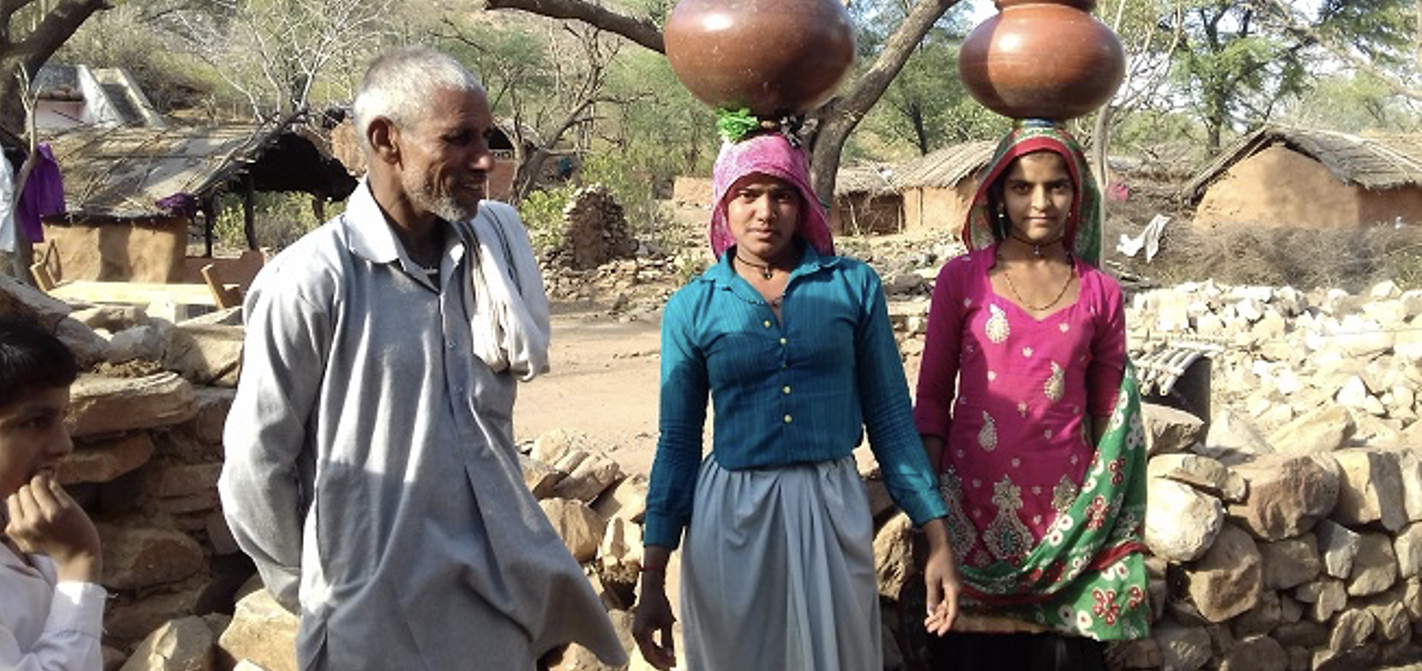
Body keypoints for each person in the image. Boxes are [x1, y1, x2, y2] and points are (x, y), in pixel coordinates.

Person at [219, 46, 626, 671]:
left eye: (485, 137)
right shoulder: (310, 283)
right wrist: (315, 592)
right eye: (458, 139)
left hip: (495, 605)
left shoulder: (489, 261)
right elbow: (255, 467)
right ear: (387, 140)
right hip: (374, 623)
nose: (485, 160)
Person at [632, 130, 960, 671]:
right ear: (723, 203)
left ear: (804, 202)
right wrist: (651, 578)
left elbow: (891, 420)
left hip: (830, 505)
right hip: (730, 518)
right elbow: (679, 442)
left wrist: (937, 537)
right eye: (747, 195)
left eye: (782, 194)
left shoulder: (852, 286)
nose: (765, 211)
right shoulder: (692, 307)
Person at [913, 122, 1149, 670]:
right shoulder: (961, 280)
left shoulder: (1099, 292)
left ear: (1078, 194)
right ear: (997, 194)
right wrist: (933, 521)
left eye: (1056, 187)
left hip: (1069, 534)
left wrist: (1100, 523)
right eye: (1022, 187)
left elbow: (1109, 420)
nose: (1040, 202)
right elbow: (931, 402)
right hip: (968, 526)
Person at [0, 317, 104, 671]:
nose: (64, 445)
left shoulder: (20, 521)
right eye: (34, 422)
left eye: (63, 418)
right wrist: (79, 562)